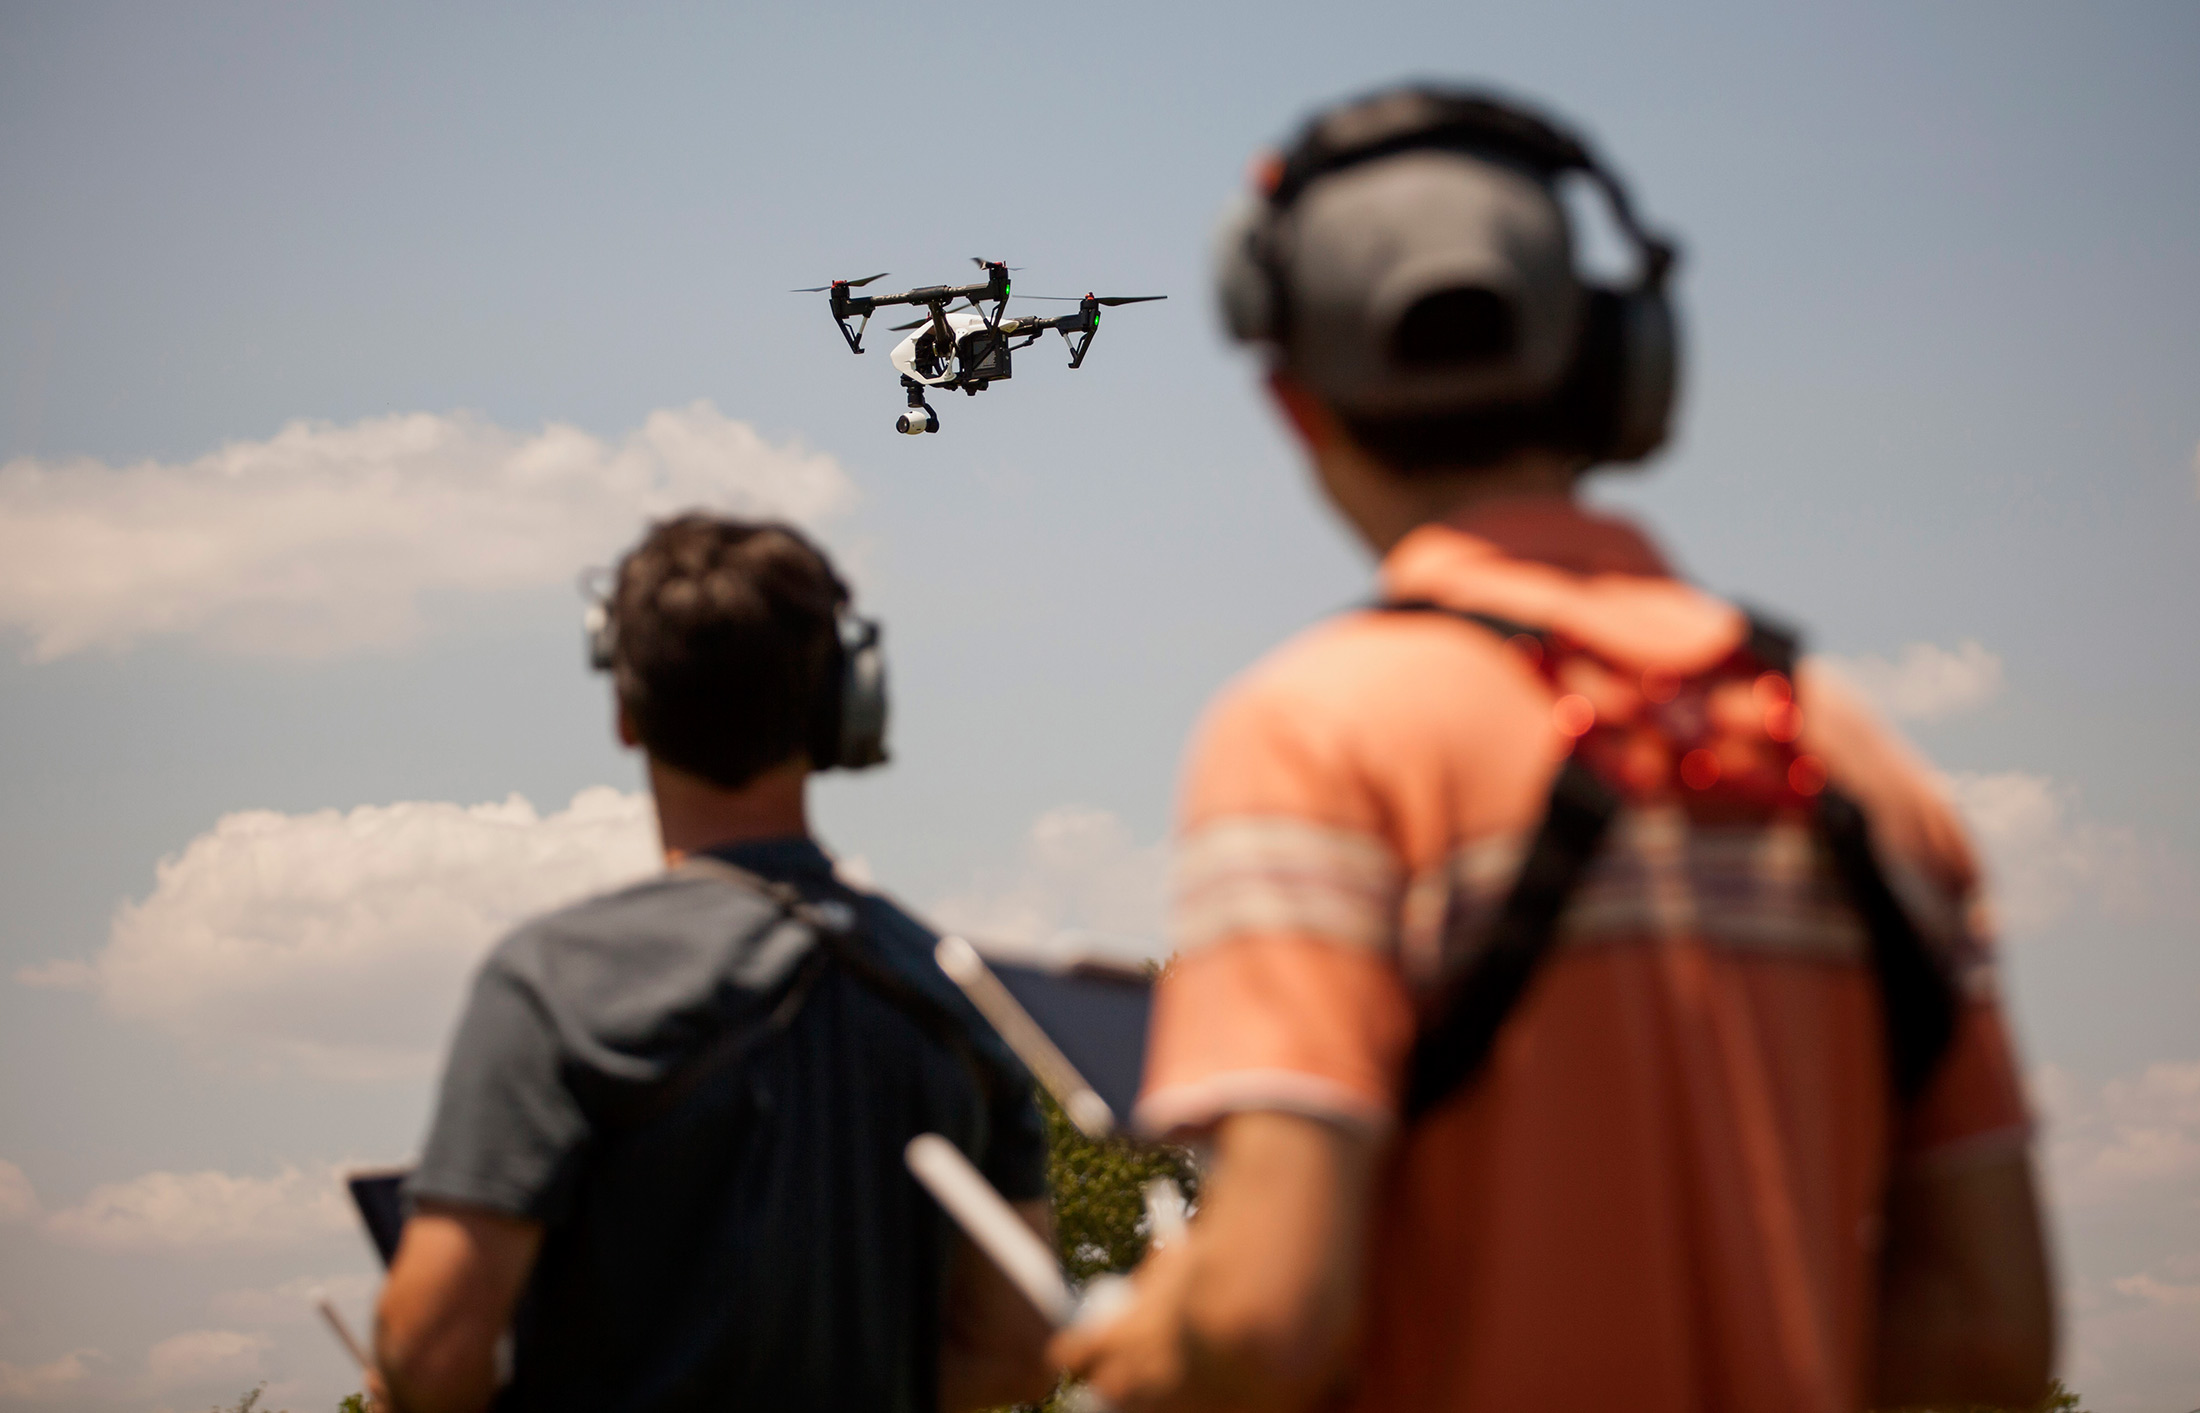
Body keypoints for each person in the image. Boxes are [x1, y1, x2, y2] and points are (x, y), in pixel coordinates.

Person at [1054, 84, 2053, 1413]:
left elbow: (1262, 1318)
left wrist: (1152, 1347)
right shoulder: (1860, 760)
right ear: (1619, 363)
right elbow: (1991, 1334)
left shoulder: (1313, 734)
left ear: (1297, 403)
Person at [372, 514, 1055, 1413]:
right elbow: (1017, 1349)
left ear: (625, 710)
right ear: (840, 706)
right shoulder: (958, 995)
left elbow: (431, 1349)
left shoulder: (549, 980)